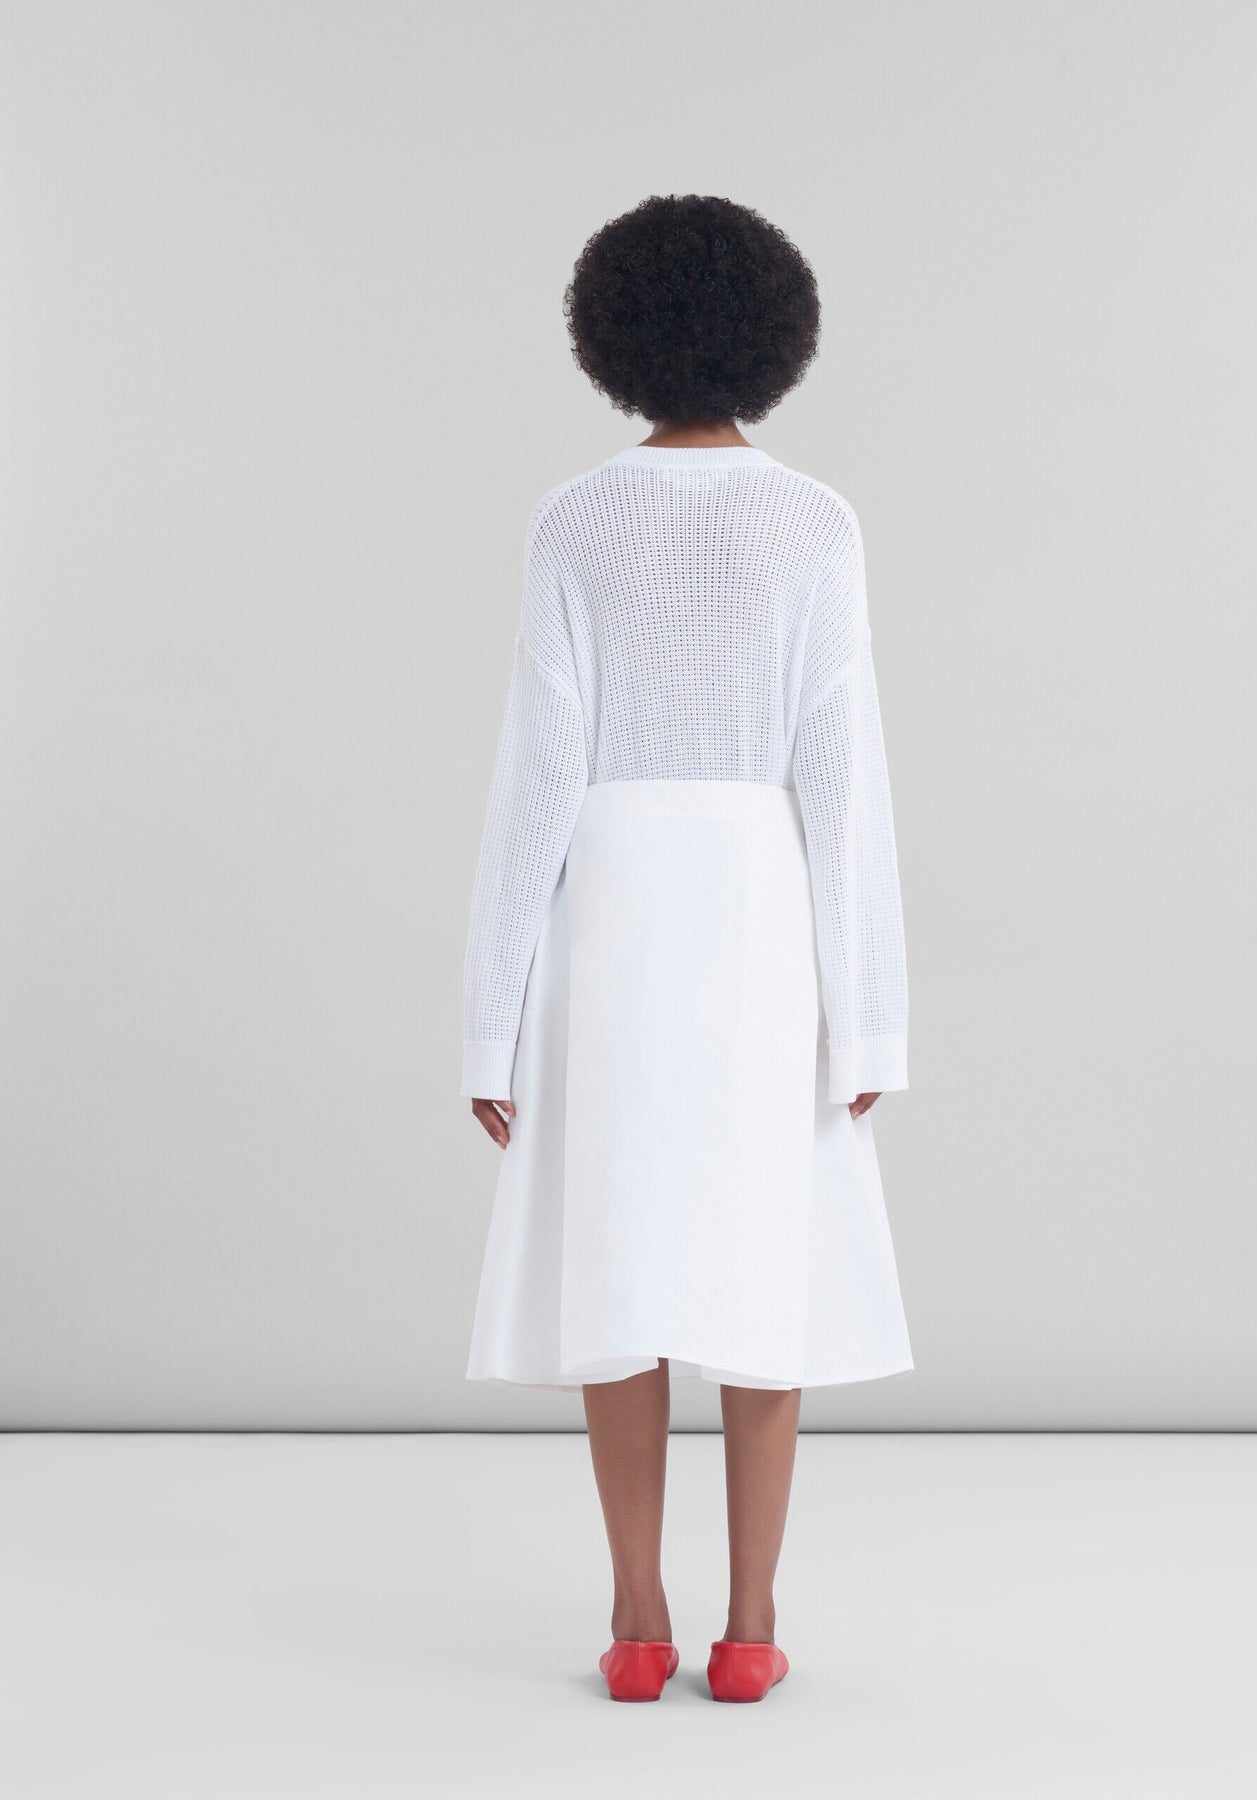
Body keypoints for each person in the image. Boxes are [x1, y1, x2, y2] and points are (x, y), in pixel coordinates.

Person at [459, 193, 914, 1704]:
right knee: (763, 1262)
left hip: (611, 919)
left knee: (620, 1261)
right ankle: (753, 1625)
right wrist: (869, 1016)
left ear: (614, 337)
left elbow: (537, 772)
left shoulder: (573, 519)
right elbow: (844, 775)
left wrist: (489, 1018)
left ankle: (637, 1620)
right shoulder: (817, 520)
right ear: (776, 337)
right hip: (765, 912)